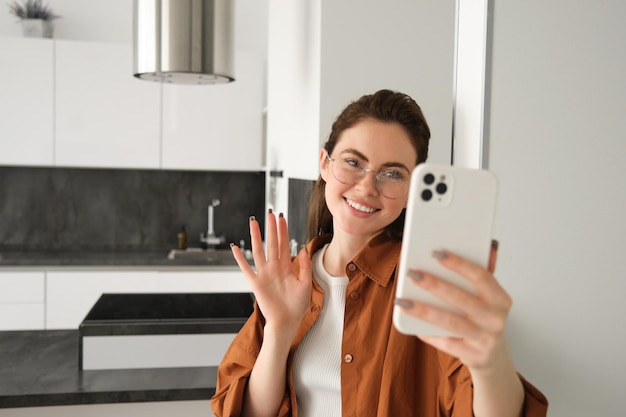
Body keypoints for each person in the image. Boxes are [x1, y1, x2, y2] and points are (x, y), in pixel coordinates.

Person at [211, 89, 548, 417]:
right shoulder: (291, 279)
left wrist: (492, 362)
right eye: (353, 162)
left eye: (392, 174)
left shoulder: (427, 285)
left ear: (412, 189)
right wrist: (280, 331)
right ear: (324, 165)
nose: (367, 187)